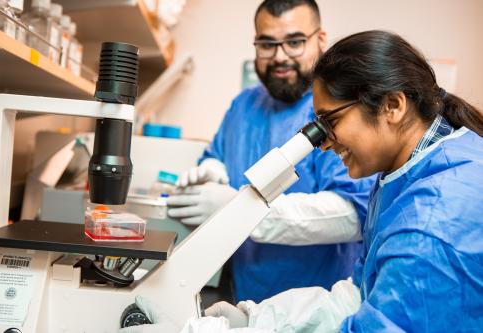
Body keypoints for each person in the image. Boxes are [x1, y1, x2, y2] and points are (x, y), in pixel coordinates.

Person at [121, 30, 483, 332]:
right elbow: (358, 298)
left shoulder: (434, 218)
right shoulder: (406, 172)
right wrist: (257, 320)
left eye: (330, 121)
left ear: (392, 105)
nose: (323, 143)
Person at [166, 0, 374, 305]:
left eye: (294, 42)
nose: (279, 56)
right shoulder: (243, 105)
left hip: (315, 307)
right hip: (244, 297)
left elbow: (352, 215)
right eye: (266, 44)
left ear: (320, 40)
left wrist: (244, 212)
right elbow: (217, 154)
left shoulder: (337, 113)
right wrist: (213, 169)